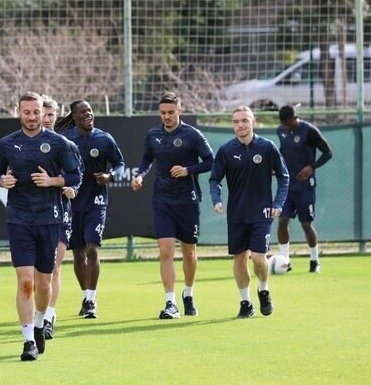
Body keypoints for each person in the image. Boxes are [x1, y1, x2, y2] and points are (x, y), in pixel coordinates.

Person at [0, 92, 82, 361]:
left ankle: (41, 323)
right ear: (18, 112)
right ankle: (28, 340)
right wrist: (2, 181)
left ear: (43, 113)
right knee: (26, 283)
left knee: (44, 284)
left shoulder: (59, 143)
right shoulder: (7, 143)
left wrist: (52, 181)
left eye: (36, 112)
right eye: (27, 112)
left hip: (49, 219)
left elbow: (75, 175)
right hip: (19, 219)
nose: (31, 117)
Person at [131, 92, 214, 320]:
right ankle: (170, 302)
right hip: (163, 201)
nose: (166, 116)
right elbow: (147, 158)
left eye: (170, 112)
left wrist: (188, 170)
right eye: (163, 113)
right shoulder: (153, 135)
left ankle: (188, 293)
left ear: (179, 111)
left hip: (188, 201)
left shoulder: (192, 135)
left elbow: (210, 161)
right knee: (166, 251)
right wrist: (140, 175)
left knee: (189, 252)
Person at [209, 105, 290, 318]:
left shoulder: (267, 147)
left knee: (258, 257)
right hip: (236, 214)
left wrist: (278, 204)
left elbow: (284, 177)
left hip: (262, 213)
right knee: (239, 259)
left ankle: (263, 289)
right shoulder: (226, 151)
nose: (240, 125)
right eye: (236, 121)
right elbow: (215, 179)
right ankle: (245, 302)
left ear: (253, 122)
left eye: (244, 120)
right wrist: (217, 199)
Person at [61, 100, 125, 320]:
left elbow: (119, 164)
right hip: (72, 203)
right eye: (82, 111)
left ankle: (91, 300)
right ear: (74, 116)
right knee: (78, 253)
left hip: (96, 202)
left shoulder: (104, 138)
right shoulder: (66, 140)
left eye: (89, 110)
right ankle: (84, 296)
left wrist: (110, 176)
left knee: (92, 248)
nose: (88, 114)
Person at [275, 105, 333, 273]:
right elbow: (283, 151)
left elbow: (328, 152)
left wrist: (311, 167)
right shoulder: (281, 131)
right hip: (287, 185)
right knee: (282, 220)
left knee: (306, 224)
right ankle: (285, 261)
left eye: (288, 123)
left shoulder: (309, 131)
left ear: (295, 118)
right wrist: (277, 167)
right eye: (284, 124)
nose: (286, 127)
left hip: (305, 186)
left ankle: (315, 261)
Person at [40, 96, 77, 340]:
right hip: (32, 215)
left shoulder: (65, 145)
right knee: (37, 271)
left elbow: (77, 175)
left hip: (61, 211)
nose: (45, 119)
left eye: (50, 115)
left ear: (56, 116)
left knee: (54, 266)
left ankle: (48, 317)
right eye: (42, 114)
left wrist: (73, 189)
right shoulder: (22, 144)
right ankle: (37, 314)